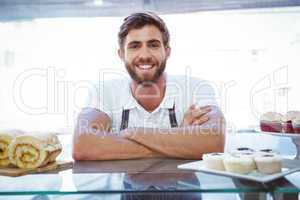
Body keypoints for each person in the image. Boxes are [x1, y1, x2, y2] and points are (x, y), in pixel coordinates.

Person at [72, 11, 225, 161]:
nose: (144, 55)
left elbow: (214, 142)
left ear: (167, 51)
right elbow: (82, 145)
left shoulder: (196, 88)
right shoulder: (103, 91)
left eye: (153, 45)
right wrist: (181, 138)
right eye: (134, 46)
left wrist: (132, 133)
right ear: (121, 54)